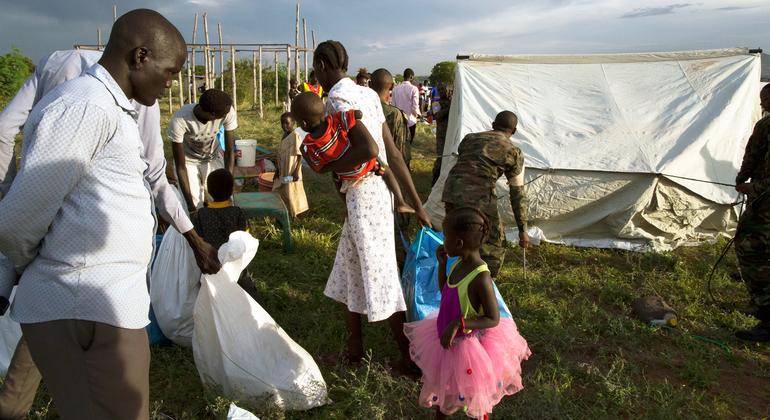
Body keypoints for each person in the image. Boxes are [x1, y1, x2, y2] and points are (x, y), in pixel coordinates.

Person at [0, 9, 188, 419]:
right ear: (140, 56)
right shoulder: (83, 108)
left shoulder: (110, 107)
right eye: (169, 71)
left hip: (100, 304)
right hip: (83, 306)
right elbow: (19, 220)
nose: (171, 83)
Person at [312, 40, 431, 372]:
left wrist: (326, 166)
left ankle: (409, 358)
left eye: (315, 68)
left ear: (321, 64)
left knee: (380, 273)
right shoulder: (366, 93)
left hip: (364, 193)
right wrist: (414, 202)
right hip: (375, 191)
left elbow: (367, 150)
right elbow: (392, 153)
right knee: (351, 268)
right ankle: (354, 351)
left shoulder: (336, 99)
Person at [404, 207, 530, 419]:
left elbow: (493, 318)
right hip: (447, 339)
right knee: (445, 390)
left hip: (468, 346)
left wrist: (457, 324)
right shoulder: (459, 264)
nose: (442, 243)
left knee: (475, 393)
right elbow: (445, 292)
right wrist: (443, 266)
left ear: (459, 243)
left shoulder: (481, 278)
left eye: (446, 238)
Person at [291, 92, 413, 214]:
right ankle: (401, 202)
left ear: (303, 124)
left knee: (335, 178)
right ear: (323, 108)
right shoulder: (335, 120)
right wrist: (357, 113)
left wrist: (304, 151)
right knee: (385, 170)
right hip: (365, 166)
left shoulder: (310, 143)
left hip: (344, 174)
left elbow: (317, 166)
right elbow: (354, 115)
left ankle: (347, 207)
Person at [442, 111, 529, 279]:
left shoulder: (469, 138)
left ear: (493, 124)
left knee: (457, 232)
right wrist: (522, 229)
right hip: (479, 197)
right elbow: (517, 193)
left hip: (452, 191)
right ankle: (486, 283)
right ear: (514, 131)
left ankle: (455, 274)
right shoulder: (512, 151)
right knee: (493, 243)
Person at [733, 83, 770, 342]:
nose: (761, 105)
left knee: (752, 251)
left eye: (764, 100)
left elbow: (752, 157)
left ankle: (768, 316)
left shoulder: (766, 126)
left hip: (765, 207)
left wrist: (748, 185)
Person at [169, 88, 238, 210]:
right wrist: (191, 207)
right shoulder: (180, 120)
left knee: (220, 199)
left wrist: (228, 184)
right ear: (212, 115)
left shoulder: (227, 110)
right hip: (188, 162)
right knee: (196, 203)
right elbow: (180, 166)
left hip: (213, 157)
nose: (226, 115)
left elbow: (229, 152)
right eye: (222, 115)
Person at [370, 68, 411, 169]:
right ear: (392, 86)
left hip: (365, 168)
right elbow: (401, 149)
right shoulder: (395, 114)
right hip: (389, 170)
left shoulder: (360, 109)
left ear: (370, 84)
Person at [272, 112, 309, 219]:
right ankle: (284, 211)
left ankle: (294, 214)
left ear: (293, 123)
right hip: (283, 168)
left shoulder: (295, 136)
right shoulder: (284, 136)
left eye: (287, 123)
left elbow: (300, 154)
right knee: (279, 187)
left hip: (291, 170)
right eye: (282, 123)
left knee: (291, 190)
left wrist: (296, 171)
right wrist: (277, 170)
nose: (284, 126)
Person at [391, 68, 420, 143]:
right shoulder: (414, 89)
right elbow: (415, 107)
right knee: (408, 143)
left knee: (398, 143)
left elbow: (393, 105)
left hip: (398, 121)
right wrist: (417, 114)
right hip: (411, 120)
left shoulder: (395, 89)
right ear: (411, 77)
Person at [431, 85, 451, 185]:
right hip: (442, 136)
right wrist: (449, 108)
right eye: (441, 90)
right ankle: (435, 181)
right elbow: (437, 116)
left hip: (451, 134)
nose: (443, 92)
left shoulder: (452, 102)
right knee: (440, 158)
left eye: (445, 89)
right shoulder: (436, 103)